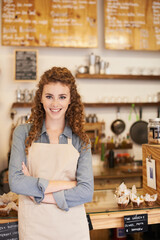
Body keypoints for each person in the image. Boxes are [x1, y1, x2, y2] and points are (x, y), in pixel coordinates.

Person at [9, 67, 94, 240]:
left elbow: (86, 192)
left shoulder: (81, 140)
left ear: (71, 100)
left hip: (72, 228)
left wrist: (38, 194)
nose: (55, 104)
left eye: (62, 97)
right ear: (40, 97)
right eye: (49, 96)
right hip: (34, 228)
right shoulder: (23, 133)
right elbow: (16, 183)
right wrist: (69, 184)